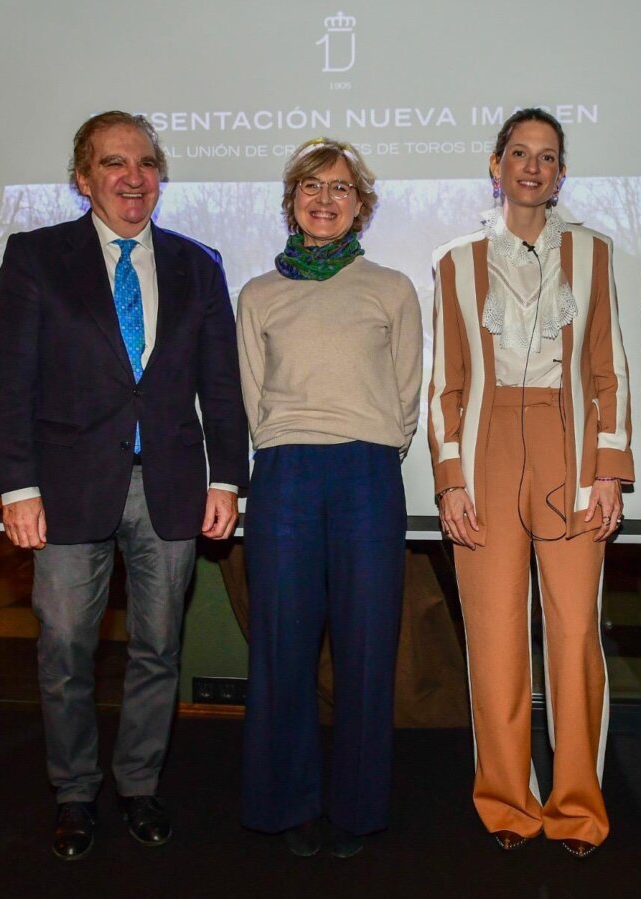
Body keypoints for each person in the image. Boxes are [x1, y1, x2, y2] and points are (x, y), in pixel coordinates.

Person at [0, 111, 248, 861]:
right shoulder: (36, 258)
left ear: (159, 174)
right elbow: (6, 380)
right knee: (65, 646)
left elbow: (220, 387)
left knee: (159, 646)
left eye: (145, 162)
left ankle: (138, 782)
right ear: (83, 179)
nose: (132, 177)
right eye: (113, 163)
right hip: (64, 489)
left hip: (170, 486)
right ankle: (73, 789)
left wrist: (226, 476)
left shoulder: (200, 263)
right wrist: (15, 486)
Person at [428, 108, 633, 858]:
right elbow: (444, 384)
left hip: (568, 449)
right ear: (496, 163)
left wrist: (609, 470)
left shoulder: (594, 253)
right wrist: (449, 481)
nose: (533, 167)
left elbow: (610, 372)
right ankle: (507, 799)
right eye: (520, 152)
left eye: (548, 156)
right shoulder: (454, 260)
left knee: (577, 633)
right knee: (494, 636)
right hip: (485, 452)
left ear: (560, 171)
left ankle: (578, 805)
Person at [236, 138, 422, 859]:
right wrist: (291, 443)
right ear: (292, 202)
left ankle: (357, 808)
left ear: (360, 206)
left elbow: (405, 394)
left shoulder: (392, 288)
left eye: (340, 189)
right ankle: (287, 804)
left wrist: (370, 443)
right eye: (311, 187)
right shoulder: (258, 294)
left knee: (367, 649)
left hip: (368, 476)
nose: (324, 199)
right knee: (281, 649)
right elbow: (253, 396)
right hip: (283, 475)